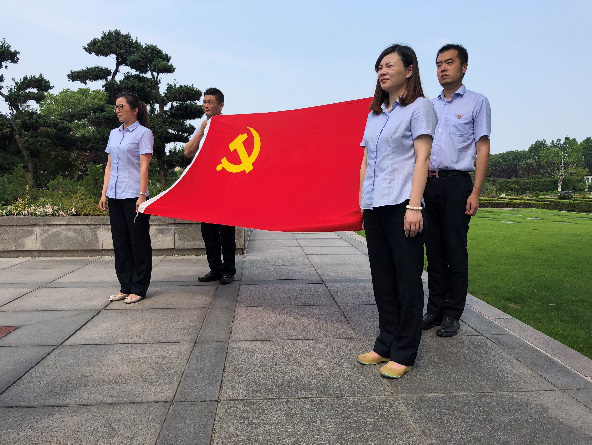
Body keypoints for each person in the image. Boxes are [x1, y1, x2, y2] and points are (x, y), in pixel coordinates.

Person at [356, 44, 437, 379]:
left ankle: (405, 351)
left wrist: (414, 205)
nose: (383, 72)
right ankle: (385, 343)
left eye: (390, 65)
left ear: (410, 70)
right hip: (375, 206)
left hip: (403, 204)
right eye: (379, 67)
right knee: (382, 279)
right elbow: (366, 162)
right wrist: (362, 202)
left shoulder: (420, 107)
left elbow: (422, 158)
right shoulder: (374, 114)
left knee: (406, 280)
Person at [422, 44, 491, 337]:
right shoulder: (428, 106)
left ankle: (453, 313)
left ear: (464, 67)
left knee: (454, 249)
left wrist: (475, 192)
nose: (443, 68)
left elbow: (482, 147)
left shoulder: (477, 102)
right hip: (429, 184)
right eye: (439, 64)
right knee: (434, 250)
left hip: (457, 184)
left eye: (449, 63)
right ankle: (435, 309)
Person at [99, 92, 154, 304]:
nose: (118, 110)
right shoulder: (114, 134)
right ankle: (125, 286)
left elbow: (144, 166)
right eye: (116, 107)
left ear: (135, 110)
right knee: (120, 243)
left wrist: (142, 195)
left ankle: (139, 288)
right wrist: (104, 193)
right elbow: (109, 165)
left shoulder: (143, 133)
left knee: (138, 242)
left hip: (133, 195)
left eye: (121, 106)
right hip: (114, 195)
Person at [184, 87, 236, 285]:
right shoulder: (203, 127)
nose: (206, 105)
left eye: (210, 102)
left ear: (221, 105)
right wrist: (201, 131)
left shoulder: (228, 126)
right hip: (205, 188)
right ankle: (215, 268)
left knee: (226, 232)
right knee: (208, 232)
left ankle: (228, 270)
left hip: (224, 187)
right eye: (204, 102)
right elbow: (188, 152)